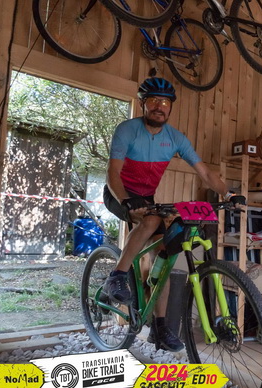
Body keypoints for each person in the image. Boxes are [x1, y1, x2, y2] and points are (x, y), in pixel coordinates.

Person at [102, 77, 244, 351]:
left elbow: (205, 173)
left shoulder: (175, 138)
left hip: (146, 199)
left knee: (164, 256)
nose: (160, 106)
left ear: (171, 108)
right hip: (118, 193)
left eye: (165, 102)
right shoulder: (127, 130)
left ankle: (160, 327)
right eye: (153, 100)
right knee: (152, 219)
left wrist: (228, 194)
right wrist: (125, 200)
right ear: (143, 104)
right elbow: (112, 172)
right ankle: (116, 276)